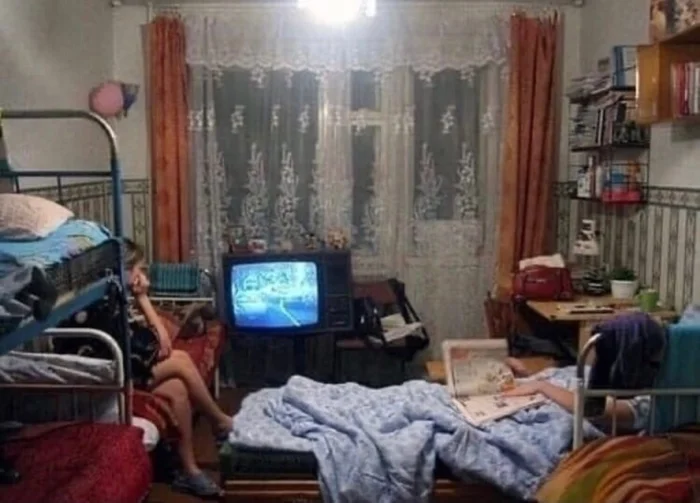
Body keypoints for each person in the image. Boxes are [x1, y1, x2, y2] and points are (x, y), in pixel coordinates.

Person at [124, 238, 232, 497]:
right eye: (137, 269)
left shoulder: (118, 297)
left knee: (178, 389)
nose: (142, 275)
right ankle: (220, 422)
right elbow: (164, 346)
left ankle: (189, 471)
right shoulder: (110, 302)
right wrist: (143, 298)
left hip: (130, 368)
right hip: (121, 376)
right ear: (124, 270)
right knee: (181, 359)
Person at [501, 358, 649, 431]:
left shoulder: (650, 402)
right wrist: (529, 376)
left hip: (550, 406)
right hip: (538, 389)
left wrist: (542, 386)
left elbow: (595, 410)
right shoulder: (609, 375)